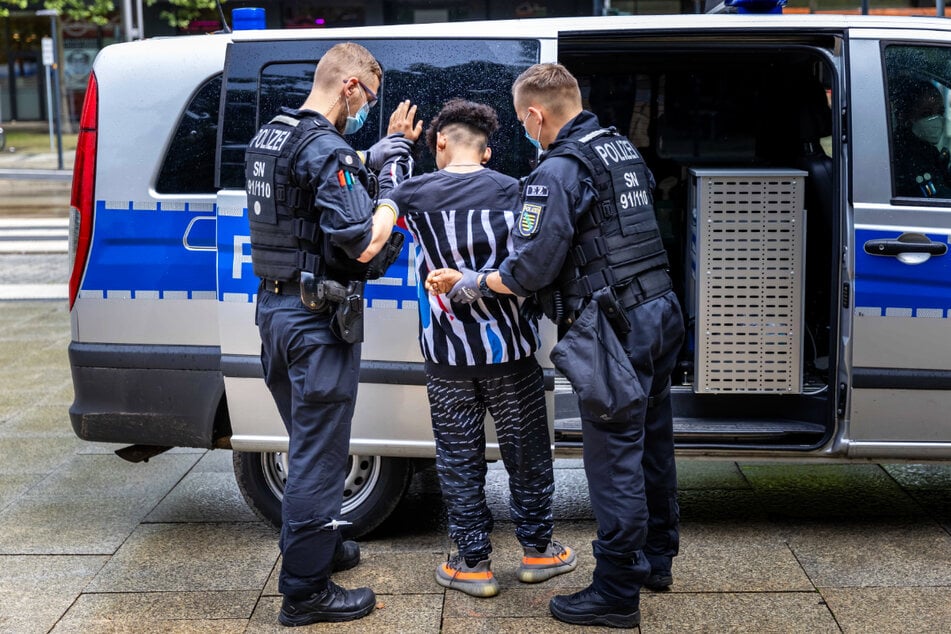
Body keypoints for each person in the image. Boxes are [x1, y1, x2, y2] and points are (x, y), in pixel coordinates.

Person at [427, 63, 684, 628]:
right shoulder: (617, 147)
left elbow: (529, 270)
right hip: (660, 311)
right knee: (652, 444)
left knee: (614, 457)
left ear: (536, 114)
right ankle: (657, 560)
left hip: (613, 329)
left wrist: (472, 283)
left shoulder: (560, 170)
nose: (526, 132)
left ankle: (617, 591)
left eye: (525, 123)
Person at [244, 42, 421, 627]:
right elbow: (364, 244)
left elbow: (310, 177)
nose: (367, 108)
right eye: (368, 98)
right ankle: (305, 592)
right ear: (349, 87)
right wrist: (394, 190)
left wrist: (366, 156)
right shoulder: (326, 147)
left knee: (306, 443)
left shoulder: (274, 133)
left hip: (275, 314)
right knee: (321, 457)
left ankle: (321, 546)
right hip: (316, 323)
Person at [380, 98, 576, 598]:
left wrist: (400, 142)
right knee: (527, 452)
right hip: (509, 353)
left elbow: (389, 187)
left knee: (458, 455)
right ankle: (538, 553)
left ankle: (472, 564)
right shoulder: (516, 192)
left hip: (446, 356)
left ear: (440, 142)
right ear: (487, 152)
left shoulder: (412, 193)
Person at [892, 78, 951, 198]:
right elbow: (936, 197)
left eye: (940, 112)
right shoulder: (903, 156)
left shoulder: (927, 151)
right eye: (926, 113)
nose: (936, 120)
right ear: (904, 117)